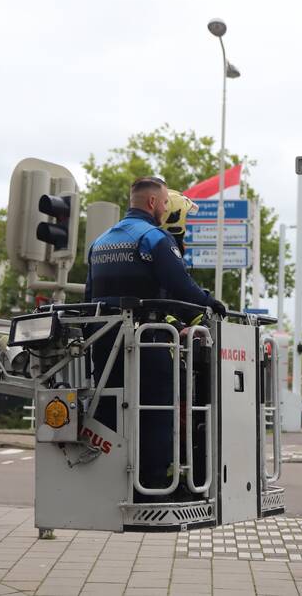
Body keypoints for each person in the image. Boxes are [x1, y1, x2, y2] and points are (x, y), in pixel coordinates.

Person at [84, 176, 226, 491]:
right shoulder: (153, 238)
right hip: (147, 341)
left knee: (109, 406)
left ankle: (106, 480)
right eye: (163, 203)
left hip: (104, 341)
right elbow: (180, 287)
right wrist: (210, 305)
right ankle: (153, 483)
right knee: (158, 410)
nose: (164, 209)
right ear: (152, 203)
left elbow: (89, 295)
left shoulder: (100, 242)